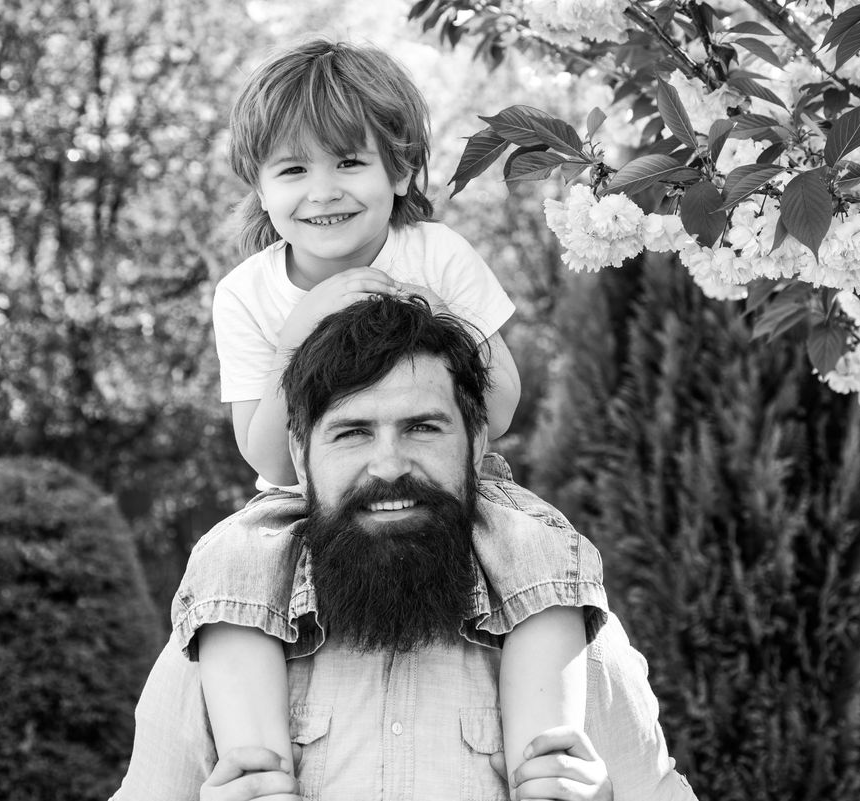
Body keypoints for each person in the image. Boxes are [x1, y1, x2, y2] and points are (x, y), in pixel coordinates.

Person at [195, 39, 601, 789]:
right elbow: (270, 460)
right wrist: (302, 328)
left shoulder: (435, 252)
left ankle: (545, 754)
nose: (323, 191)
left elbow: (500, 410)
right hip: (308, 498)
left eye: (349, 162)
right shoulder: (246, 294)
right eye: (293, 170)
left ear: (402, 168)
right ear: (258, 186)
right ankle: (257, 765)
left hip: (457, 481)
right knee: (230, 560)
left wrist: (425, 309)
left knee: (544, 548)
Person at [111, 296, 699, 800]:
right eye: (352, 433)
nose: (389, 466)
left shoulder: (569, 635)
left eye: (422, 428)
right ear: (300, 457)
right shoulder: (223, 630)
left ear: (475, 443)